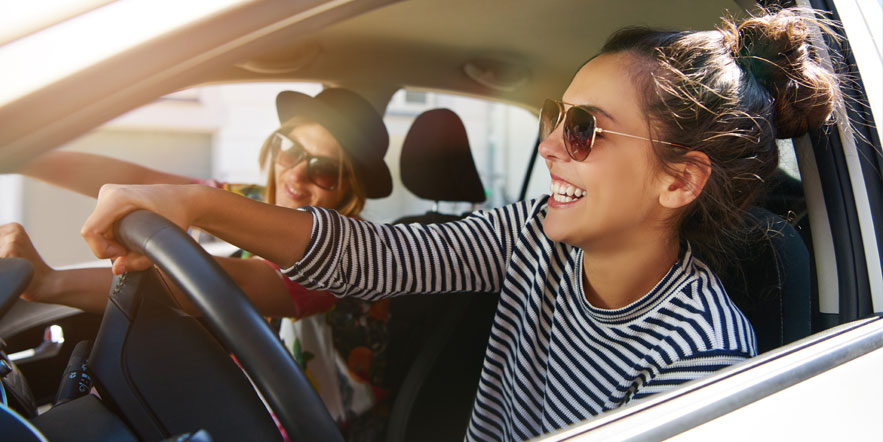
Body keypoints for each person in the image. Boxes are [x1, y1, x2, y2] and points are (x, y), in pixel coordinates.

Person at [77, 8, 843, 442]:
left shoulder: (700, 355)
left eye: (584, 129)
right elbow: (378, 257)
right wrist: (194, 205)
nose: (550, 146)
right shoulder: (532, 235)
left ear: (677, 180)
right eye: (554, 116)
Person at [4, 88, 396, 439]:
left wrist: (50, 281)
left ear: (350, 189)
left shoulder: (348, 255)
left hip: (318, 428)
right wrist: (24, 155)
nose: (295, 175)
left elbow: (223, 285)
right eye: (290, 151)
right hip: (255, 403)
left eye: (323, 170)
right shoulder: (256, 200)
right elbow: (143, 183)